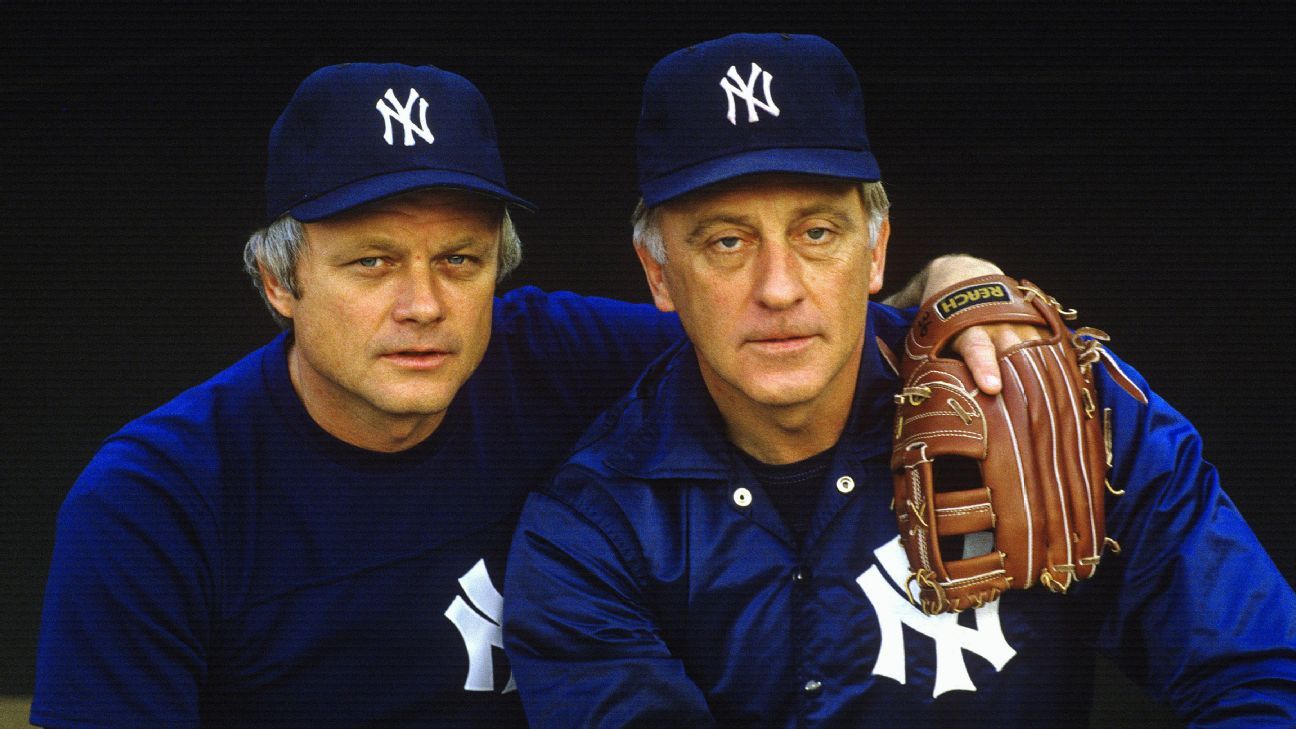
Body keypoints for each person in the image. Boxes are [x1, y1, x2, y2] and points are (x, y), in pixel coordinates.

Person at [31, 61, 1018, 727]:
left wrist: (958, 286)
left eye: (458, 260)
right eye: (371, 262)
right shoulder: (155, 503)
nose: (422, 304)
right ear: (279, 283)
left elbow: (793, 333)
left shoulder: (552, 356)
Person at [502, 33, 1296, 727]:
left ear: (876, 251)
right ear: (658, 272)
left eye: (818, 232)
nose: (779, 286)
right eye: (725, 242)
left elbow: (1263, 674)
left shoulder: (1053, 405)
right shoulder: (589, 529)